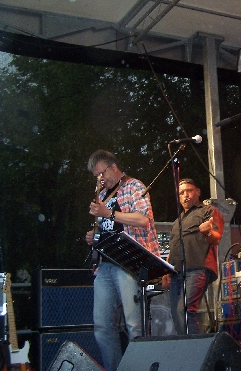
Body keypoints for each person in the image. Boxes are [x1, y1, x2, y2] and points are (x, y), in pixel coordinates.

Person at [85, 149, 159, 371]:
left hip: (128, 261)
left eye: (102, 174)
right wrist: (93, 236)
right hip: (105, 265)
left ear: (113, 167)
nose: (100, 180)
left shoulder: (133, 186)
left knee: (134, 324)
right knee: (102, 326)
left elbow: (143, 219)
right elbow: (105, 229)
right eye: (96, 177)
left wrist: (108, 213)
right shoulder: (102, 195)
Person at [161, 178, 224, 335]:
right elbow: (173, 248)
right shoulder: (178, 221)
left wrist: (207, 232)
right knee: (176, 314)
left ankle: (195, 348)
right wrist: (166, 271)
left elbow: (216, 238)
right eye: (181, 193)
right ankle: (186, 346)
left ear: (198, 192)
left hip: (198, 268)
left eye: (189, 191)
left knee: (185, 309)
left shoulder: (208, 211)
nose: (185, 195)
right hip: (176, 272)